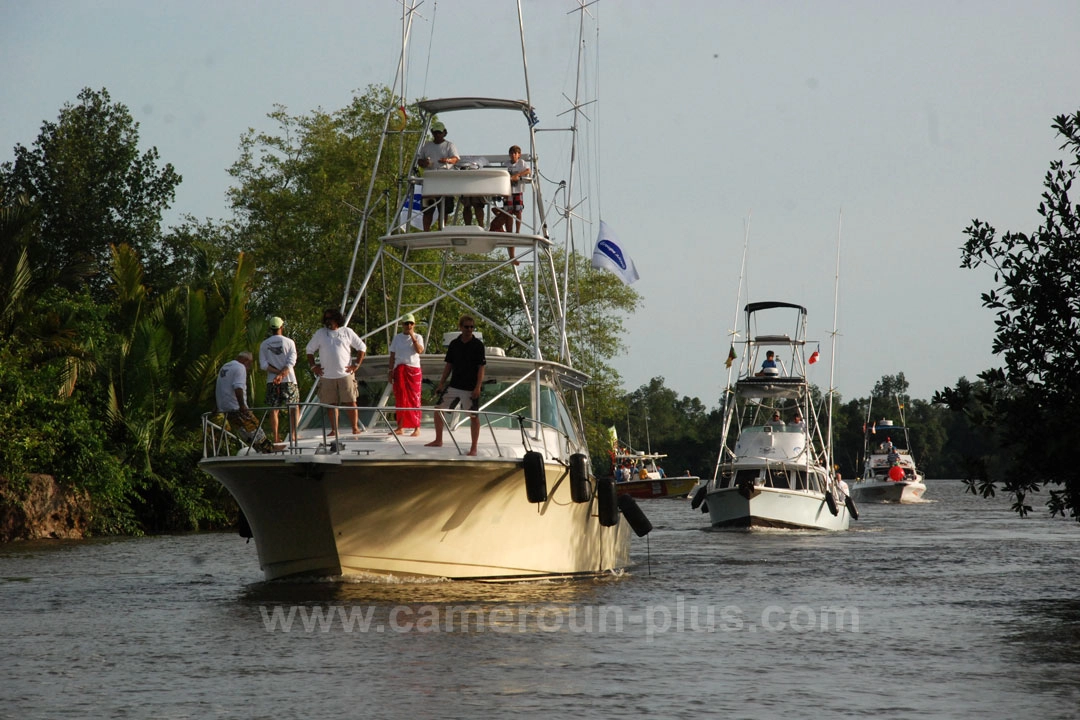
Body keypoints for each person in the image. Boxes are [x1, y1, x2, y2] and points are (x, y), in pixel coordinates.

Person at [425, 314, 486, 455]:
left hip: (470, 387)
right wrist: (441, 383)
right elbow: (449, 365)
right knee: (438, 410)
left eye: (471, 327)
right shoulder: (454, 344)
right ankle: (438, 440)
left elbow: (481, 367)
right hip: (454, 385)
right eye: (466, 327)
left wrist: (477, 387)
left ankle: (473, 448)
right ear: (460, 327)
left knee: (473, 417)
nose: (469, 329)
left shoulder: (478, 345)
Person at [306, 308, 367, 437]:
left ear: (337, 319)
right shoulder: (320, 333)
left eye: (331, 318)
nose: (328, 321)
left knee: (351, 401)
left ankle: (355, 428)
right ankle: (334, 430)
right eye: (326, 319)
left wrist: (356, 365)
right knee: (331, 404)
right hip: (327, 375)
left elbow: (362, 347)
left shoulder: (347, 332)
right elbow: (309, 350)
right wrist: (313, 366)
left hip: (345, 374)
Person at [215, 351, 273, 453]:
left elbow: (222, 387)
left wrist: (217, 406)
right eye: (249, 364)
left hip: (226, 409)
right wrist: (242, 405)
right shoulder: (240, 367)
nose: (249, 367)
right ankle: (269, 450)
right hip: (236, 407)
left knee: (245, 434)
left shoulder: (225, 366)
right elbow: (238, 387)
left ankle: (260, 451)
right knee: (255, 428)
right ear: (246, 360)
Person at [259, 316, 300, 444]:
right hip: (289, 380)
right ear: (282, 327)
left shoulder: (264, 344)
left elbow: (263, 365)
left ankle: (276, 437)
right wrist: (282, 375)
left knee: (274, 409)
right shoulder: (289, 342)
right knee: (294, 407)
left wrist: (277, 374)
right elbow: (291, 363)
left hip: (272, 381)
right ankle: (293, 435)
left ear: (270, 328)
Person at [490, 145, 531, 263]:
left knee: (517, 211)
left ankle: (517, 231)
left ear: (518, 154)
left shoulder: (522, 163)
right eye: (512, 153)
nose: (513, 155)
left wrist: (517, 175)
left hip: (517, 191)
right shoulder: (506, 164)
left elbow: (528, 170)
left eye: (515, 153)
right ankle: (512, 254)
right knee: (508, 215)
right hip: (508, 192)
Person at [417, 121, 460, 231]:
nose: (437, 135)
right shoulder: (427, 146)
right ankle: (426, 231)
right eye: (435, 133)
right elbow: (420, 161)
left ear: (444, 133)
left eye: (439, 133)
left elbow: (456, 159)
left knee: (444, 208)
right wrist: (424, 163)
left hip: (445, 181)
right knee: (427, 208)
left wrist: (447, 160)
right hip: (430, 182)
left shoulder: (449, 145)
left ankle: (442, 229)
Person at [388, 313, 425, 436]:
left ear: (414, 324)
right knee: (400, 399)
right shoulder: (397, 338)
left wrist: (412, 336)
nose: (408, 325)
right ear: (402, 325)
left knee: (414, 398)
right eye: (406, 323)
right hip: (400, 370)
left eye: (411, 323)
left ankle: (416, 427)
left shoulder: (418, 337)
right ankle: (400, 426)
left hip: (413, 370)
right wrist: (390, 371)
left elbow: (419, 350)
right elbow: (392, 355)